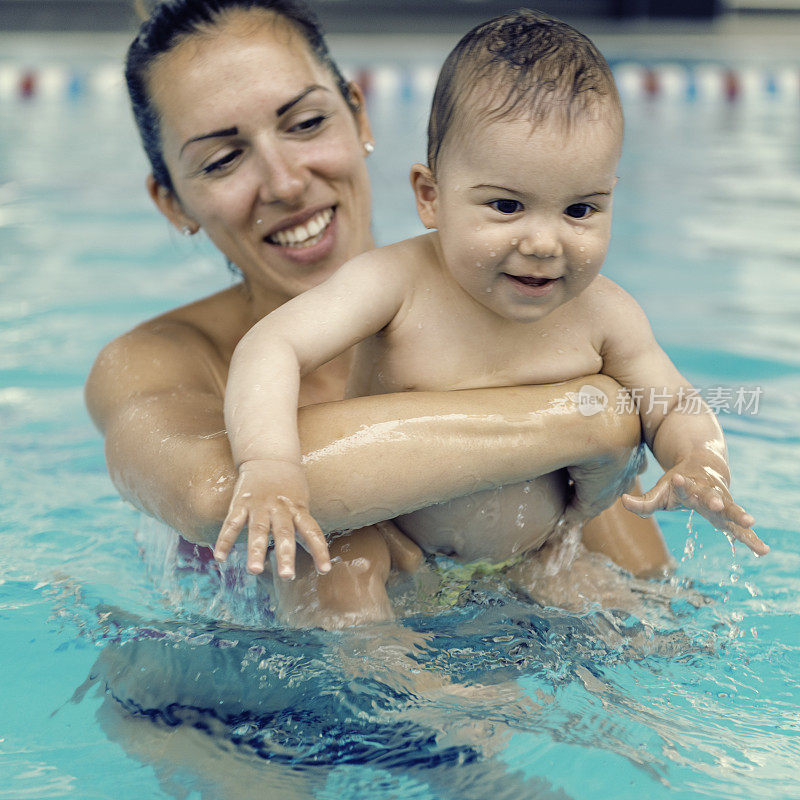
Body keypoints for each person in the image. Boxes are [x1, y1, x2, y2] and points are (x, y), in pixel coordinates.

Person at [85, 0, 671, 629]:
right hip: (230, 713)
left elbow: (647, 600)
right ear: (172, 202)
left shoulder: (524, 320)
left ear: (359, 115)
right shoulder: (157, 360)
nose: (284, 182)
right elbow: (214, 495)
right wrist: (592, 420)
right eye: (223, 160)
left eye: (306, 123)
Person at [216, 8, 768, 618]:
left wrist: (700, 461)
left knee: (646, 624)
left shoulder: (605, 314)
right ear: (431, 197)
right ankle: (413, 697)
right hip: (395, 544)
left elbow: (676, 406)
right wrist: (269, 466)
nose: (544, 242)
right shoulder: (395, 284)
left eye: (581, 210)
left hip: (533, 556)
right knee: (339, 572)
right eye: (507, 205)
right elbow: (271, 346)